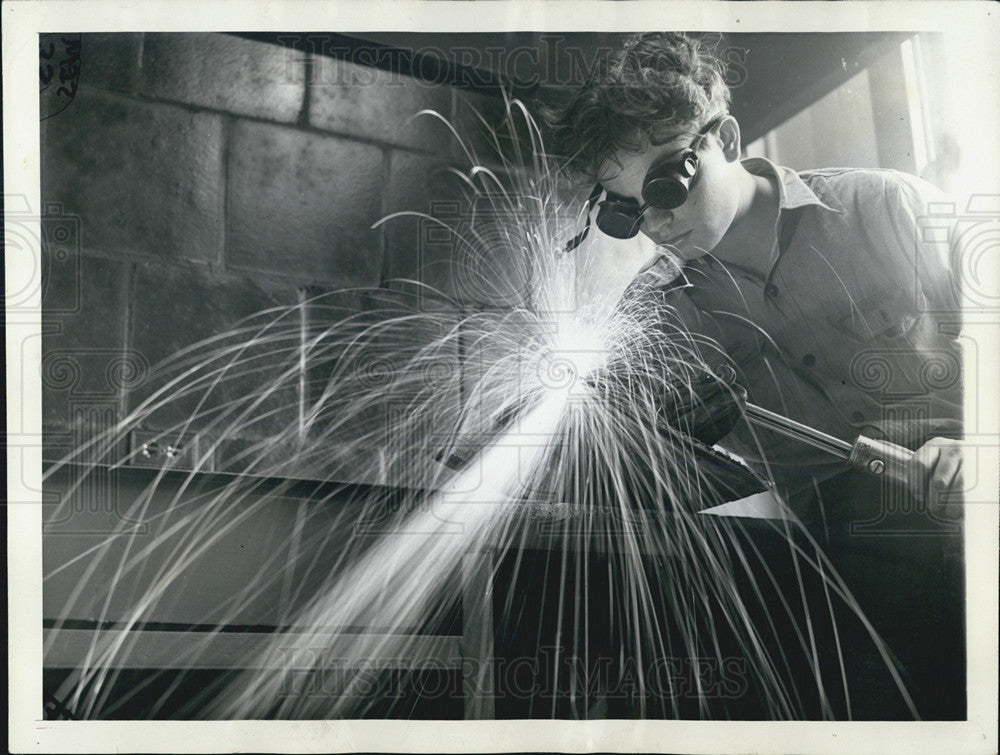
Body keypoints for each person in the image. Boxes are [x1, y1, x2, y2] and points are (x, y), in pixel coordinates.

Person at [543, 31, 966, 719]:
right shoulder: (658, 315)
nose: (655, 220)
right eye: (626, 208)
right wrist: (664, 452)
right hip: (843, 569)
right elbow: (606, 453)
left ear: (727, 139)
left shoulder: (892, 212)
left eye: (667, 183)